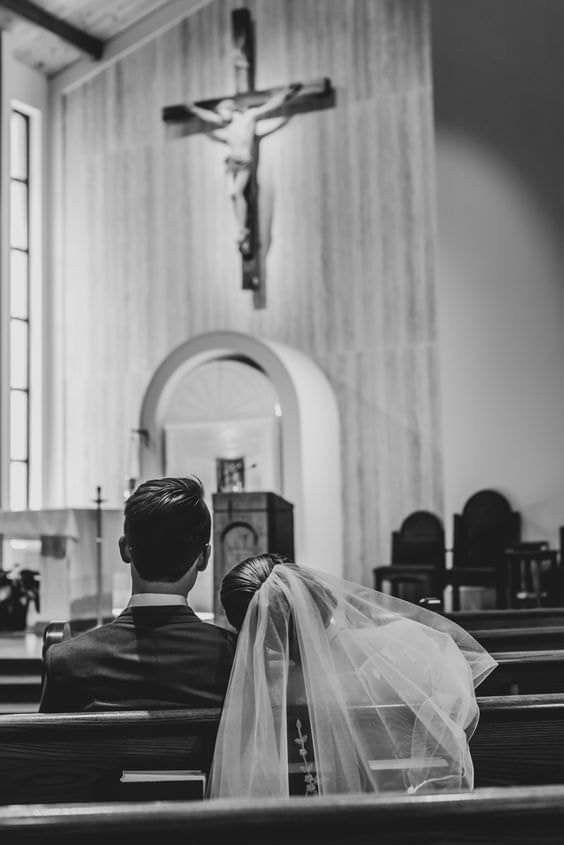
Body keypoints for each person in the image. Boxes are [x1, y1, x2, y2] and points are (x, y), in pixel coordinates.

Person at [208, 554, 497, 798]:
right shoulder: (407, 651)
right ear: (316, 596)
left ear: (255, 634)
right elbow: (451, 737)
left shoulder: (266, 691)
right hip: (410, 816)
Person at [39, 476, 235, 713]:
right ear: (204, 557)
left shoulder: (67, 661)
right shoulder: (234, 657)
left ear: (124, 549)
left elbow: (44, 746)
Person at [187, 84, 301, 255]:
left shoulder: (248, 118)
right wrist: (193, 109)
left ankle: (242, 230)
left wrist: (284, 96)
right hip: (231, 163)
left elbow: (269, 105)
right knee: (231, 194)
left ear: (231, 108)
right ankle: (240, 229)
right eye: (219, 112)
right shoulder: (224, 124)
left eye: (222, 110)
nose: (220, 114)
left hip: (244, 162)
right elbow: (208, 117)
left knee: (236, 193)